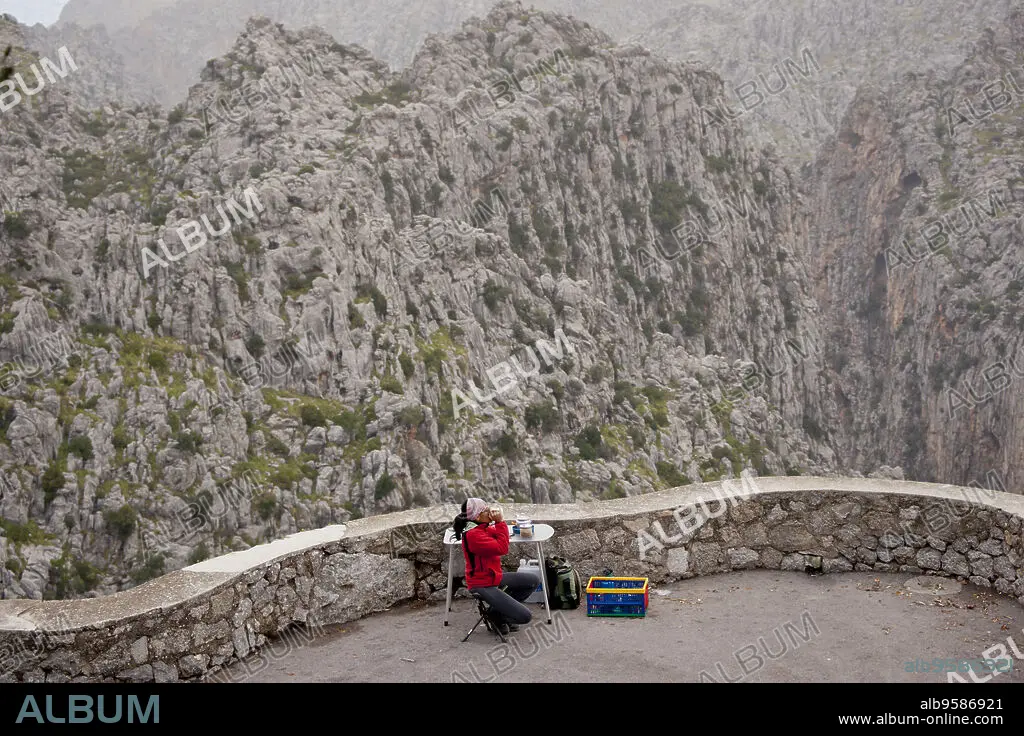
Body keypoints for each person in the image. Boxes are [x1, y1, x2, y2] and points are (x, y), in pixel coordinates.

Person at [452, 497, 534, 635]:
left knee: (532, 581)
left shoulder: (482, 528)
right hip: (482, 584)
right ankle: (496, 617)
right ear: (478, 516)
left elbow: (499, 535)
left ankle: (497, 614)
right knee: (525, 617)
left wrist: (498, 523)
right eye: (486, 510)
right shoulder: (473, 535)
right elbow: (502, 548)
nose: (489, 511)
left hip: (493, 577)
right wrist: (500, 522)